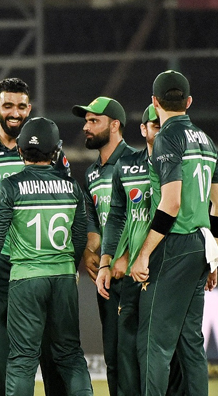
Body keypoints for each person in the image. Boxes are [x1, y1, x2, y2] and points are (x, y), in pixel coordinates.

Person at [0, 117, 92, 396]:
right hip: (62, 277)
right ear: (56, 152)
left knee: (22, 359)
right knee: (71, 355)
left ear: (21, 151)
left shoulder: (11, 186)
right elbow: (81, 235)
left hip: (25, 278)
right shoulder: (72, 187)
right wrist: (69, 267)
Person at [0, 78, 68, 396]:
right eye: (8, 105)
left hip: (41, 263)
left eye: (21, 106)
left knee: (54, 352)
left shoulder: (52, 149)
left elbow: (65, 201)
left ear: (29, 108)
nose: (15, 113)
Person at [129, 70, 218, 396]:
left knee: (155, 343)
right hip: (200, 245)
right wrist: (212, 255)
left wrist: (143, 253)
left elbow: (170, 204)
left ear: (154, 102)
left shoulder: (167, 138)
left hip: (176, 245)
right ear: (188, 102)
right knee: (190, 343)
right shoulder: (206, 141)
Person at [72, 96, 136, 396]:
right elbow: (95, 221)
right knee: (112, 356)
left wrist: (122, 256)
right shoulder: (92, 173)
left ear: (115, 124)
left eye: (93, 121)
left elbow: (147, 217)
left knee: (135, 355)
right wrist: (90, 253)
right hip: (107, 276)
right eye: (86, 121)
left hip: (136, 273)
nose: (86, 126)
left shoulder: (137, 162)